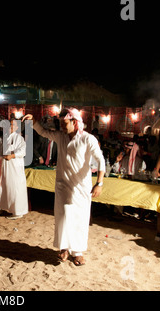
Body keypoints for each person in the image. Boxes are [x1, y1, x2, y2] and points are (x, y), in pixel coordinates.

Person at [23, 109, 105, 266]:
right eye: (60, 122)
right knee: (63, 217)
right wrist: (33, 120)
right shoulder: (61, 136)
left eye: (64, 122)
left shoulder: (88, 139)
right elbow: (43, 131)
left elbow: (100, 160)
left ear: (74, 122)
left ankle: (78, 252)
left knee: (79, 219)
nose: (61, 125)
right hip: (62, 185)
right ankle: (64, 248)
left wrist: (99, 183)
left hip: (81, 188)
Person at [0, 118, 29, 219]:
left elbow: (22, 151)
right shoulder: (4, 137)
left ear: (16, 127)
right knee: (5, 187)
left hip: (15, 168)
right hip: (5, 167)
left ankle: (18, 212)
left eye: (12, 125)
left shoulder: (19, 138)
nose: (10, 127)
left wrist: (12, 156)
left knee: (15, 188)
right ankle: (5, 208)